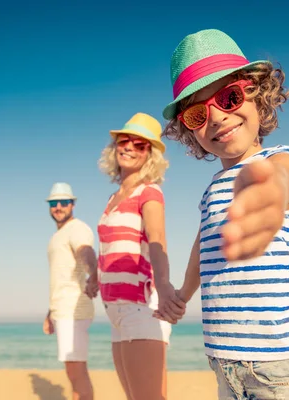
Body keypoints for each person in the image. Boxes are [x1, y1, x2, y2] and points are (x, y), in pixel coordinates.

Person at [158, 29, 289, 399]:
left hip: (288, 370)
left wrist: (271, 191)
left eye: (229, 97)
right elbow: (203, 248)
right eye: (198, 112)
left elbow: (285, 177)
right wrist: (183, 291)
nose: (217, 117)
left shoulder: (283, 160)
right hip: (226, 368)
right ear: (189, 129)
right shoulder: (212, 190)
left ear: (258, 96)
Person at [96, 112, 186, 400]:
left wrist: (163, 284)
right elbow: (110, 250)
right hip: (116, 310)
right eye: (125, 141)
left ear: (150, 155)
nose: (130, 148)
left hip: (141, 305)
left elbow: (158, 240)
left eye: (140, 144)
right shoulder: (114, 198)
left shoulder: (149, 192)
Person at [43, 182, 99, 400]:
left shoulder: (77, 229)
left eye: (64, 202)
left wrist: (94, 275)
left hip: (74, 309)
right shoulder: (58, 235)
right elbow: (60, 277)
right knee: (72, 371)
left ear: (72, 204)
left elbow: (86, 253)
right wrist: (50, 313)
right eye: (54, 203)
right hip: (62, 310)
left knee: (77, 372)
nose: (58, 206)